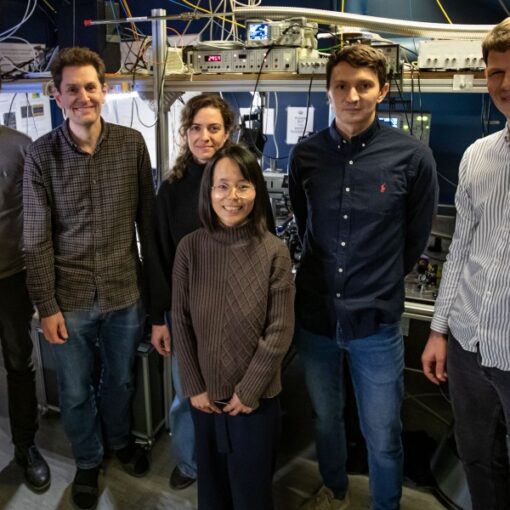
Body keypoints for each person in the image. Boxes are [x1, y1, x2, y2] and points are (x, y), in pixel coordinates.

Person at [288, 44, 438, 510]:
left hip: (375, 323)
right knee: (326, 419)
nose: (351, 95)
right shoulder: (306, 155)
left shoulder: (412, 159)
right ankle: (333, 493)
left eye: (364, 85)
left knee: (383, 431)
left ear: (383, 90)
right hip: (315, 317)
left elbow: (414, 240)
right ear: (329, 91)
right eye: (341, 85)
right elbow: (301, 216)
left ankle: (385, 504)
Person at [23, 47, 154, 510]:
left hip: (124, 291)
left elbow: (148, 224)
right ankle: (87, 459)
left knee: (119, 381)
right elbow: (35, 239)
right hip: (70, 299)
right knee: (75, 392)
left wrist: (153, 301)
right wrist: (47, 305)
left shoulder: (132, 144)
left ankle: (119, 440)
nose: (84, 97)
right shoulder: (40, 156)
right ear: (56, 96)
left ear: (105, 89)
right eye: (72, 89)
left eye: (91, 87)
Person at [149, 93, 275, 490]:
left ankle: (235, 463)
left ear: (228, 132)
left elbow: (266, 240)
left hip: (242, 309)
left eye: (214, 128)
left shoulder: (247, 182)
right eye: (196, 128)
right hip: (187, 316)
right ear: (185, 133)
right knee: (190, 391)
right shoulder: (171, 190)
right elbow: (156, 255)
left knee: (240, 392)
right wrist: (160, 318)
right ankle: (192, 462)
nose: (205, 136)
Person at [171, 143, 294, 509]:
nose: (232, 196)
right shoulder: (190, 248)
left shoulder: (274, 251)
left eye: (243, 185)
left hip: (254, 400)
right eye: (222, 186)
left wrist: (250, 389)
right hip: (204, 397)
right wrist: (193, 386)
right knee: (212, 490)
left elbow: (280, 328)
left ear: (257, 190)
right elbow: (179, 319)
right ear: (209, 192)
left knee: (251, 492)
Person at [421, 18, 510, 510]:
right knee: (477, 458)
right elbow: (459, 251)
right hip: (467, 345)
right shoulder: (478, 156)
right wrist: (439, 331)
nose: (504, 84)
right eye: (495, 72)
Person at [0, 125, 51, 492]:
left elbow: (39, 215)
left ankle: (26, 447)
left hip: (11, 279)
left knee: (19, 363)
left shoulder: (19, 146)